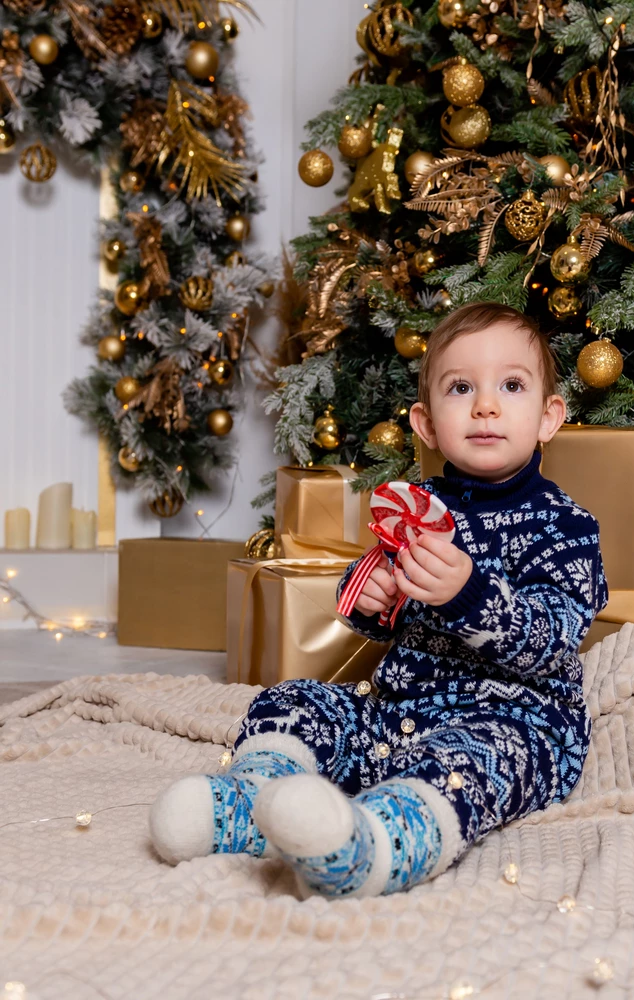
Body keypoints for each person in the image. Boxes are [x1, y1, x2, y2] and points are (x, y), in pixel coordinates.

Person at [149, 301, 608, 898]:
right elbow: (381, 597)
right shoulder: (418, 506)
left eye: (511, 386)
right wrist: (369, 596)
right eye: (461, 387)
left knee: (465, 766)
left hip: (514, 719)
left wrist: (470, 595)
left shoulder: (564, 525)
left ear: (549, 417)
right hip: (398, 710)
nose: (486, 405)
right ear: (425, 423)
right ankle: (252, 803)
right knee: (296, 702)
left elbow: (554, 636)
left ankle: (371, 847)